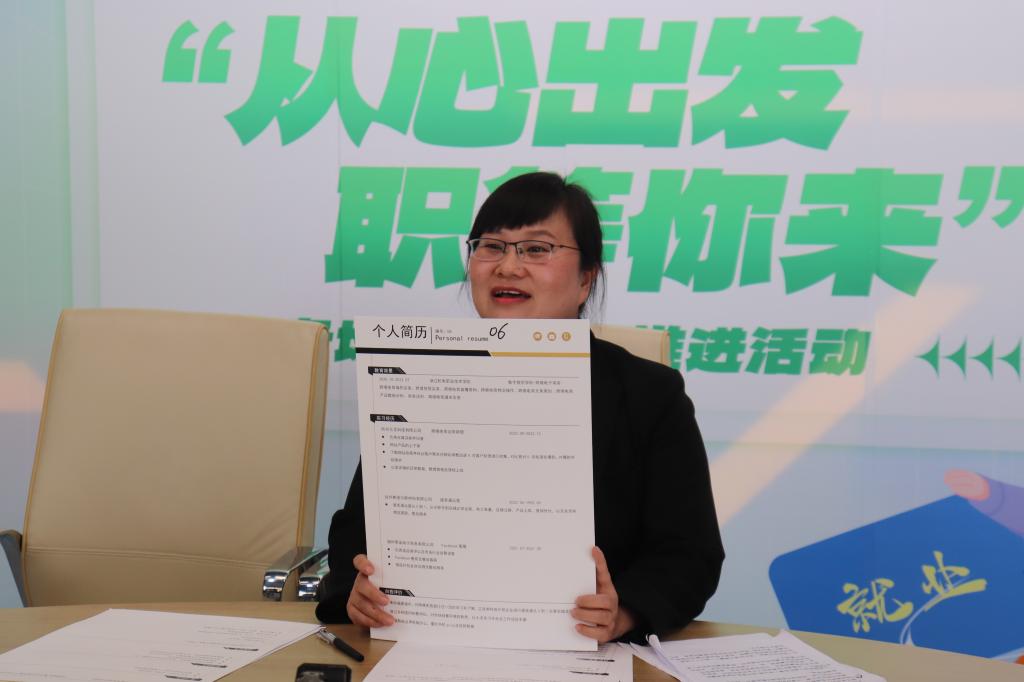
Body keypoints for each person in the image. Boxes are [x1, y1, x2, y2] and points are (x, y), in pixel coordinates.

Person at [316, 172, 724, 643]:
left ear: (586, 279)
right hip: (423, 644)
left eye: (536, 249)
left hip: (586, 652)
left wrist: (624, 613)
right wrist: (358, 591)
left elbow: (689, 555)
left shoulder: (650, 394)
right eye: (492, 247)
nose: (508, 267)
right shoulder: (415, 380)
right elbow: (356, 534)